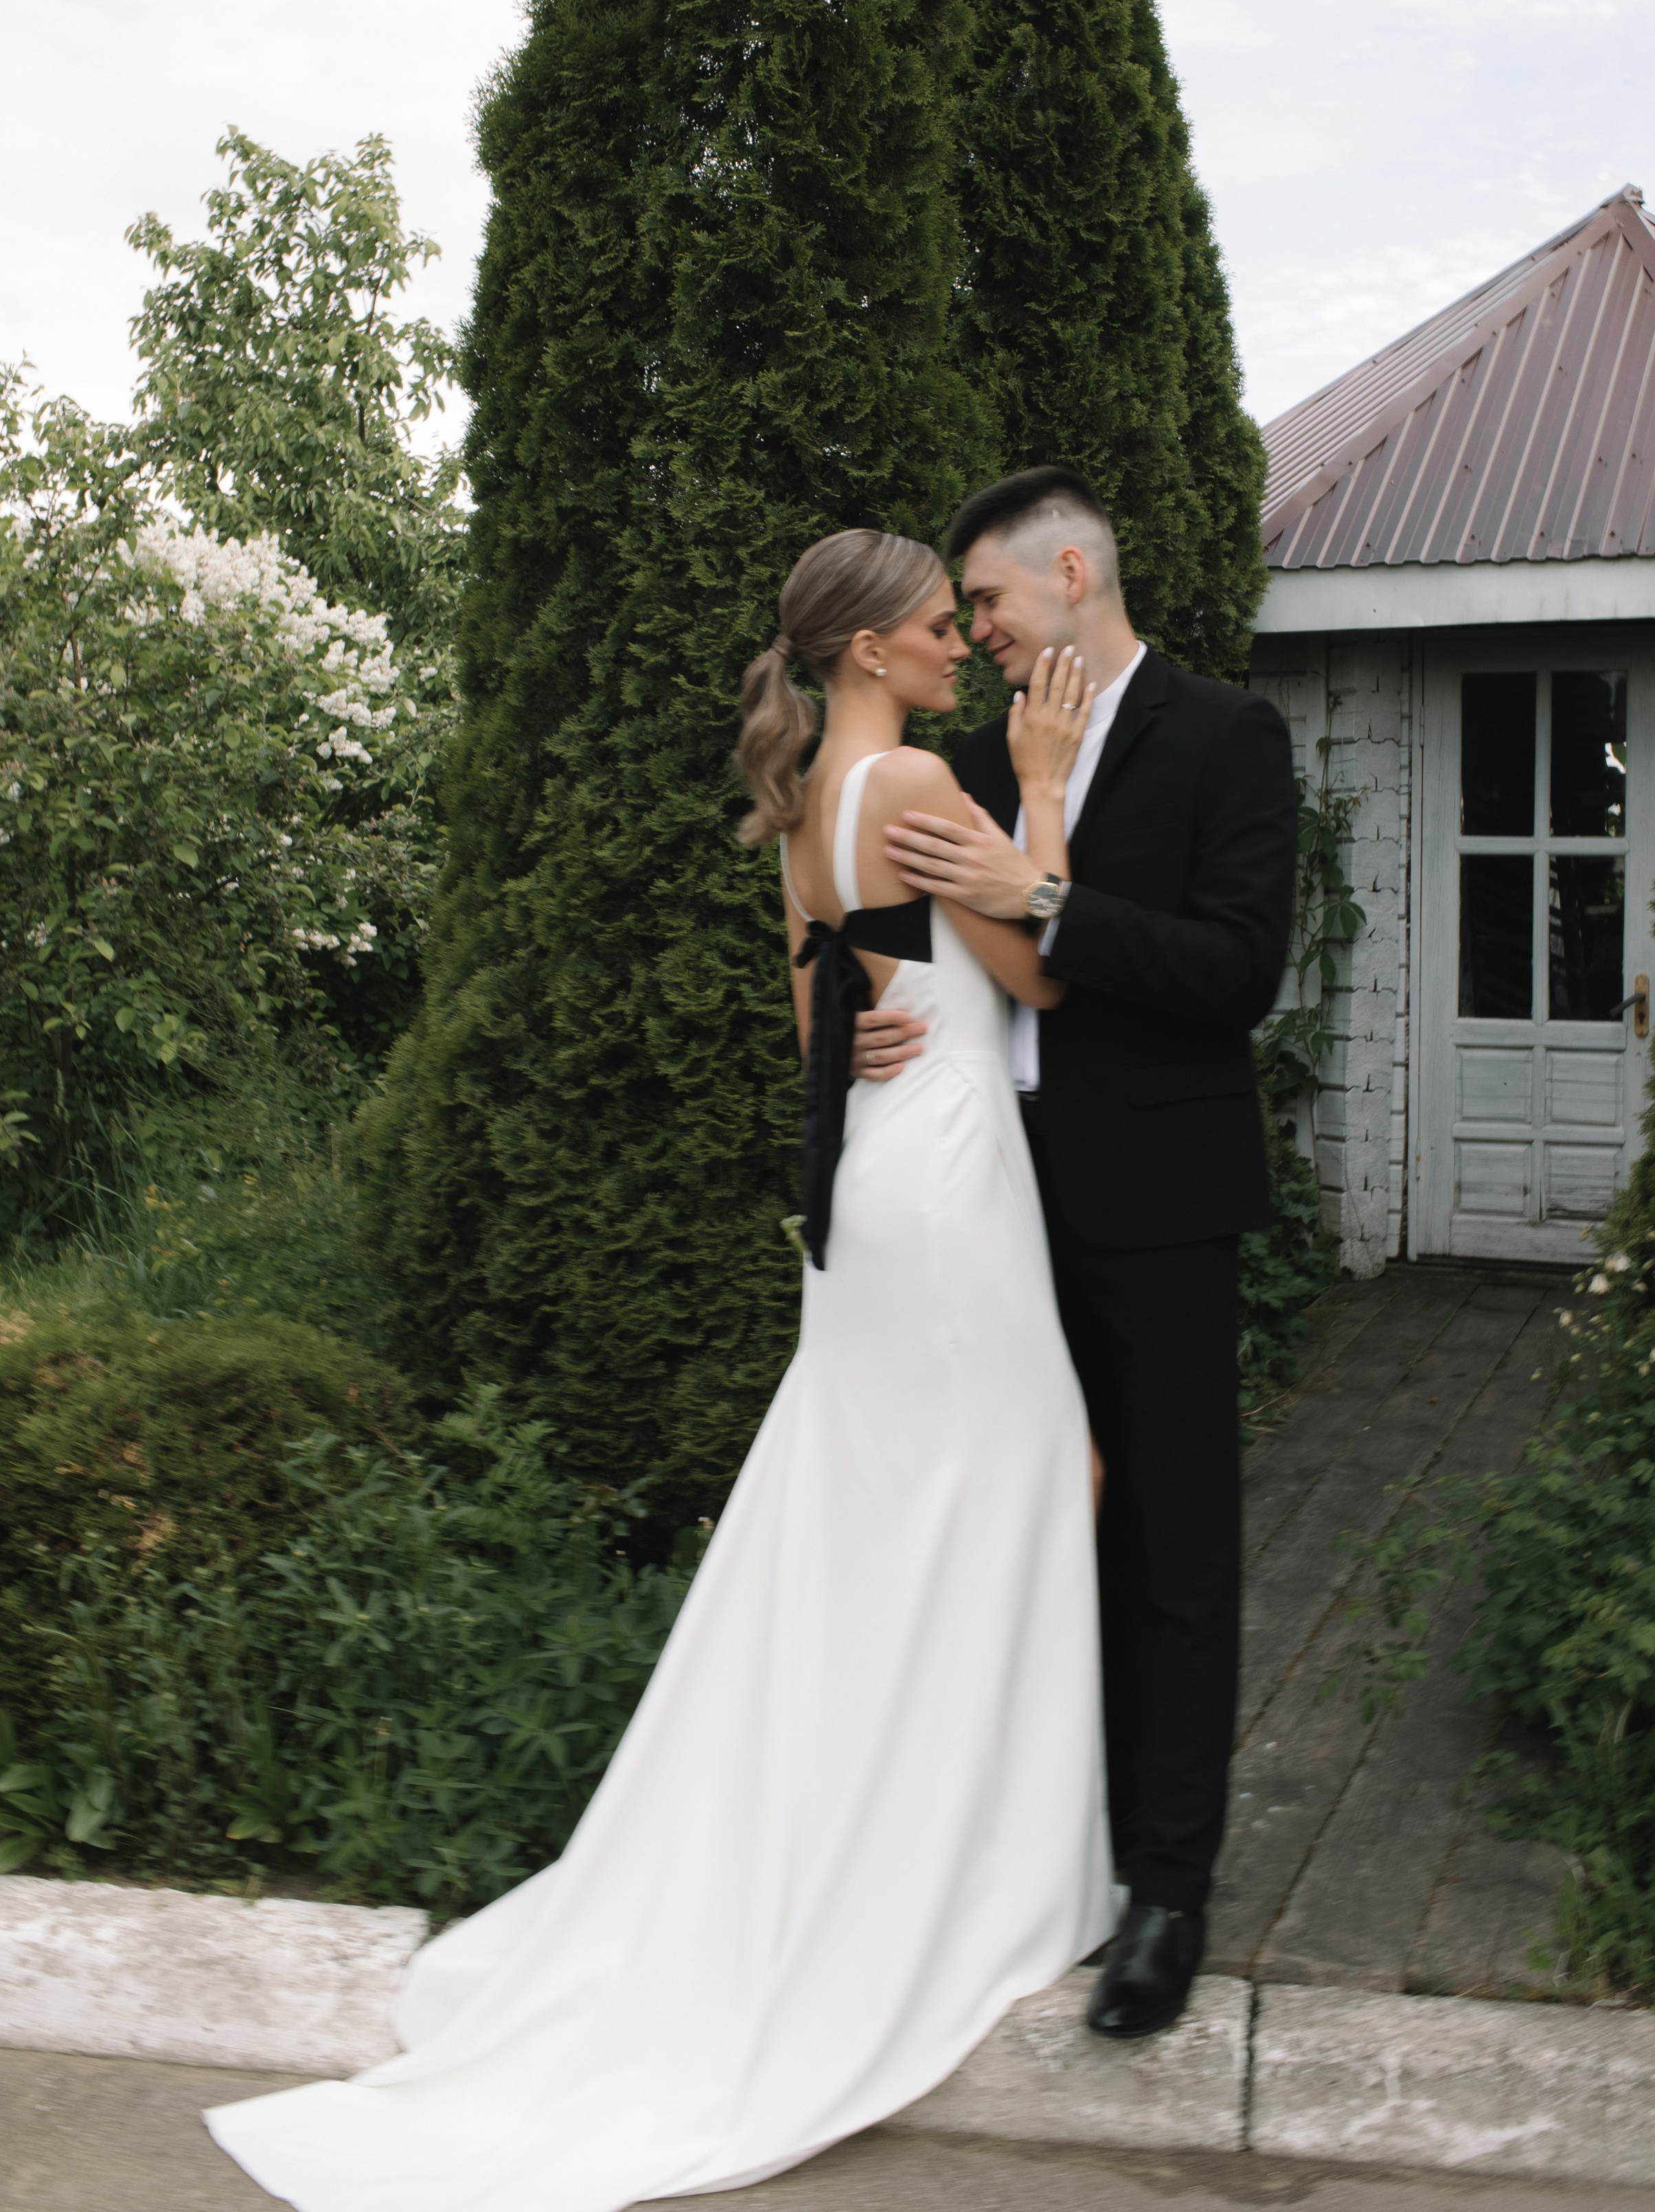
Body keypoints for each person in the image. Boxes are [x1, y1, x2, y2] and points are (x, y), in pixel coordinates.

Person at [205, 527, 1114, 2212]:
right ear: (862, 654)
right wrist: (1046, 785)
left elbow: (812, 1023)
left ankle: (894, 1845)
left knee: (891, 1520)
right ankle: (973, 1881)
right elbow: (1039, 963)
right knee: (1006, 1488)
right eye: (930, 628)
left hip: (870, 1180)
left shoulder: (797, 817)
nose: (951, 650)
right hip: (947, 1188)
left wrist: (853, 1025)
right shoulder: (916, 779)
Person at [859, 467, 1298, 2040]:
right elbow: (885, 931)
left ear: (1067, 570)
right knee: (1025, 1528)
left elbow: (1235, 972)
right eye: (959, 613)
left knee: (1173, 1548)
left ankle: (1164, 1892)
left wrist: (1050, 893)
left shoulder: (1225, 735)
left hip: (1162, 1201)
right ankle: (1044, 1853)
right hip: (989, 1201)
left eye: (984, 599)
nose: (970, 632)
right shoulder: (966, 759)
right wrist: (854, 1029)